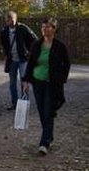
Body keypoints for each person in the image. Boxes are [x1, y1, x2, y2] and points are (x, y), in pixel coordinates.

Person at [22, 18, 70, 155]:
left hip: (52, 83)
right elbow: (30, 63)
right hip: (38, 81)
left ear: (54, 29)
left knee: (48, 111)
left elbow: (66, 64)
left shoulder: (60, 46)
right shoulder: (37, 45)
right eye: (43, 27)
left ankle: (44, 143)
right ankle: (49, 136)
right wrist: (26, 81)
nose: (45, 29)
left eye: (48, 27)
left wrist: (61, 79)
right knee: (42, 111)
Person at [0, 11, 37, 110]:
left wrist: (29, 52)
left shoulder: (23, 28)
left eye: (12, 20)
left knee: (24, 82)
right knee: (12, 83)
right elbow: (4, 45)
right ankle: (14, 103)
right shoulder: (4, 31)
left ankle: (24, 103)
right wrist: (7, 55)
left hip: (23, 59)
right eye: (8, 20)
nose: (10, 22)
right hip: (12, 60)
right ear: (6, 21)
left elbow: (34, 39)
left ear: (16, 19)